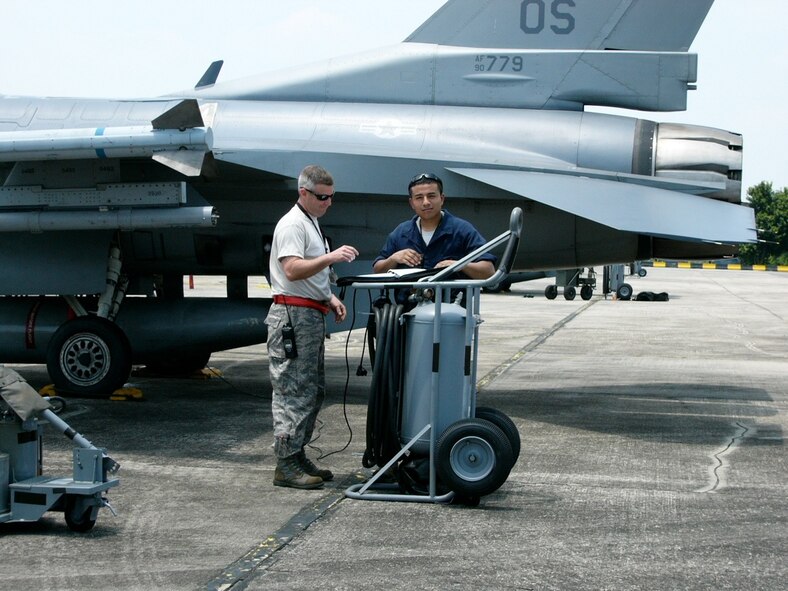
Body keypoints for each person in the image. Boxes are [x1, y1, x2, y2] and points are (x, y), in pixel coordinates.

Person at [266, 164, 358, 489]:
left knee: (312, 390)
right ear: (303, 192)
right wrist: (331, 258)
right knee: (293, 389)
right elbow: (291, 270)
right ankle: (286, 463)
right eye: (322, 197)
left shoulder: (311, 221)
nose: (327, 203)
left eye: (332, 197)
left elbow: (307, 275)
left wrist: (328, 297)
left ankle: (297, 454)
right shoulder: (293, 224)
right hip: (293, 317)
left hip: (308, 314)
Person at [373, 172, 496, 305]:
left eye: (431, 196)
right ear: (412, 203)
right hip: (407, 316)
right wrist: (393, 259)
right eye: (419, 197)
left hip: (451, 315)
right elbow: (378, 271)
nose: (426, 202)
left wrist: (460, 265)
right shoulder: (401, 233)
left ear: (442, 199)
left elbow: (488, 271)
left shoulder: (462, 230)